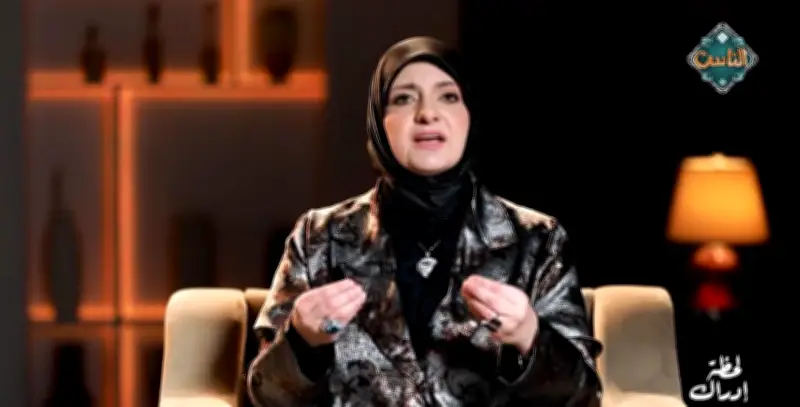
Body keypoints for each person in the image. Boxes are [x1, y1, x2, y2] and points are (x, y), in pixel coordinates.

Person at [247, 36, 602, 407]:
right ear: (378, 121)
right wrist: (302, 340)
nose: (427, 114)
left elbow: (583, 397)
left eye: (448, 96)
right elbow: (264, 395)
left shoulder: (538, 239)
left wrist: (529, 337)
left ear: (470, 116)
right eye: (404, 98)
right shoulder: (319, 236)